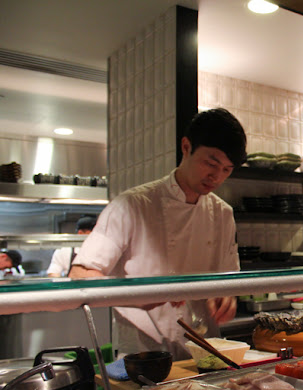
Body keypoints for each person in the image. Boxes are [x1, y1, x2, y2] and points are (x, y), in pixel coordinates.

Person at [69, 108, 247, 359]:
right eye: (211, 163)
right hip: (143, 354)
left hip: (204, 353)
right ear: (186, 147)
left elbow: (229, 281)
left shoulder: (223, 214)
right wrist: (137, 295)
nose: (216, 176)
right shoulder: (132, 205)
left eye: (227, 170)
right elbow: (80, 275)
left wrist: (226, 297)